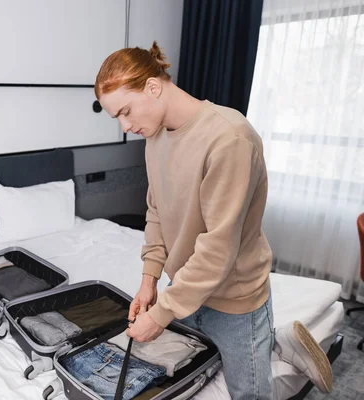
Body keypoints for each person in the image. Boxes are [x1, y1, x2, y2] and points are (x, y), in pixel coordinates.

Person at [94, 42, 333, 399]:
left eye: (126, 111)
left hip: (235, 303)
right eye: (118, 118)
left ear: (153, 87)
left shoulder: (230, 138)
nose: (126, 126)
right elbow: (157, 211)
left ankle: (270, 337)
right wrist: (149, 280)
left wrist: (161, 314)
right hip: (187, 293)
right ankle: (278, 341)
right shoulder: (155, 137)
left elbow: (217, 249)